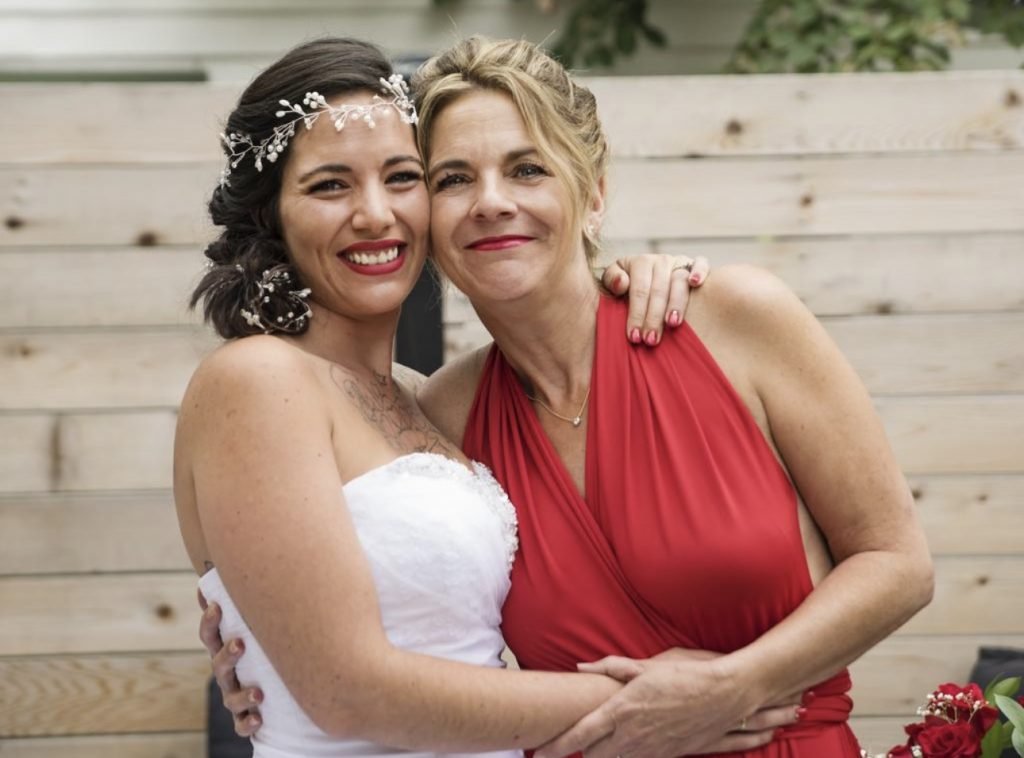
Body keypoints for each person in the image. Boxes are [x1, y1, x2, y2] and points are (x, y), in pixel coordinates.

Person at [206, 36, 935, 756]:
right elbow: (389, 607)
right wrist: (259, 654)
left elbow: (898, 563)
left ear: (593, 193)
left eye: (527, 169)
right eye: (453, 178)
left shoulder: (734, 319)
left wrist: (738, 685)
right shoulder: (439, 419)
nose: (492, 202)